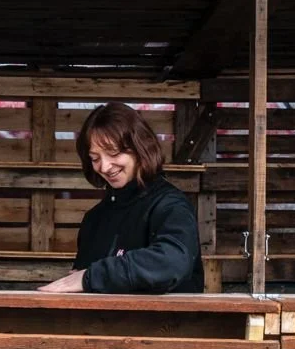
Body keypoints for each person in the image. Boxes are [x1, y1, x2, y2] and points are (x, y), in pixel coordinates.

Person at [38, 101, 204, 294]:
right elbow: (84, 282)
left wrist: (91, 277)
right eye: (95, 158)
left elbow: (172, 262)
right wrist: (83, 280)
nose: (104, 167)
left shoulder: (170, 206)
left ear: (140, 148)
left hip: (167, 315)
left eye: (113, 153)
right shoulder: (95, 218)